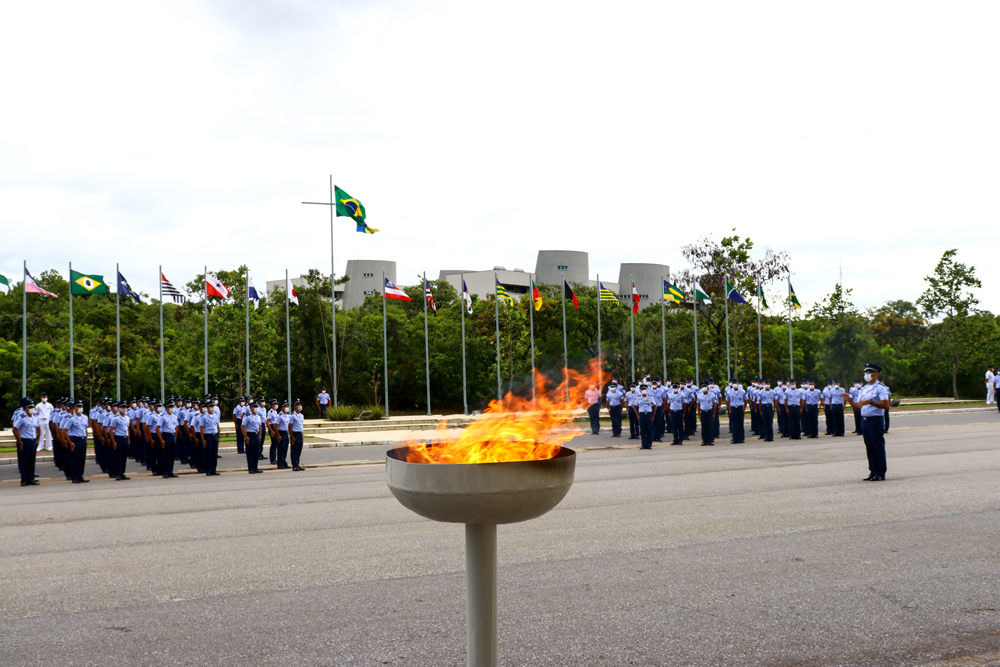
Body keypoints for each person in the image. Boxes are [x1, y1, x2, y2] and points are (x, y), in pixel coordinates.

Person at [843, 362, 891, 481]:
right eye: (866, 372)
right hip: (864, 421)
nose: (867, 374)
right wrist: (849, 399)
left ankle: (880, 472)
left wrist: (870, 402)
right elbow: (858, 406)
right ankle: (873, 471)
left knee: (877, 446)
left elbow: (886, 404)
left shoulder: (880, 388)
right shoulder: (864, 389)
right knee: (869, 446)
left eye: (869, 372)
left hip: (875, 420)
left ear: (876, 374)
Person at [12, 399, 40, 486]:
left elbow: (38, 428)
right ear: (24, 409)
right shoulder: (22, 418)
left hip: (32, 441)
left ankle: (31, 478)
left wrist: (38, 439)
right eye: (29, 407)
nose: (31, 409)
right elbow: (15, 429)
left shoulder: (35, 418)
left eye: (32, 407)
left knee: (31, 461)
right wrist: (19, 440)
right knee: (24, 460)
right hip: (25, 441)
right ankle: (24, 479)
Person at [65, 400, 90, 483]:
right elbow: (64, 431)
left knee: (82, 459)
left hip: (82, 439)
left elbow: (85, 428)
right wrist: (70, 442)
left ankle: (80, 475)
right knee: (75, 459)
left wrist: (86, 439)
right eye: (78, 406)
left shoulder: (85, 417)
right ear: (74, 408)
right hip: (75, 439)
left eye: (81, 406)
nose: (80, 408)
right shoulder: (71, 419)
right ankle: (74, 476)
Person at [157, 401, 179, 478]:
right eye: (170, 407)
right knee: (166, 455)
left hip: (172, 436)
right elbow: (157, 428)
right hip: (166, 436)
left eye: (172, 407)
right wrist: (161, 439)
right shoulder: (163, 417)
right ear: (166, 408)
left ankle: (170, 471)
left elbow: (176, 427)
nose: (171, 409)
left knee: (172, 456)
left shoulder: (174, 417)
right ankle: (165, 472)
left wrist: (175, 437)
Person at [109, 402, 131, 480]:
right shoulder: (116, 418)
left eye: (125, 407)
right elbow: (111, 430)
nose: (124, 408)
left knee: (124, 457)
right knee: (118, 456)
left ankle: (122, 472)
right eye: (122, 407)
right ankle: (117, 473)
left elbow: (127, 429)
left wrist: (128, 439)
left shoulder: (127, 418)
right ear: (119, 409)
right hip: (118, 438)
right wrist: (114, 441)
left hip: (125, 438)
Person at [241, 402, 262, 473]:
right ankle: (251, 468)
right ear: (251, 408)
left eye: (257, 407)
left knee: (256, 452)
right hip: (250, 435)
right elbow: (243, 426)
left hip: (256, 435)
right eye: (254, 407)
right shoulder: (247, 416)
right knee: (250, 452)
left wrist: (260, 435)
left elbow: (260, 426)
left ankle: (256, 467)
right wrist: (246, 437)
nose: (256, 408)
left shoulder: (258, 417)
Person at [200, 401, 221, 475]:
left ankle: (213, 469)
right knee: (208, 454)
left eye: (213, 406)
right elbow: (201, 428)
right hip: (208, 436)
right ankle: (208, 470)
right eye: (210, 406)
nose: (212, 408)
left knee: (214, 454)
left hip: (214, 435)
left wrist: (218, 436)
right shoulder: (204, 416)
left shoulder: (216, 416)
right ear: (207, 407)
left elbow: (218, 426)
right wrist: (203, 439)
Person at [726, 378, 746, 444]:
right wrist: (729, 409)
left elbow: (745, 400)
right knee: (734, 424)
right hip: (733, 408)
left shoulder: (742, 391)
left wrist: (744, 409)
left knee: (740, 424)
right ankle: (735, 438)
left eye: (736, 382)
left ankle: (741, 438)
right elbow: (727, 401)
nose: (735, 384)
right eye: (733, 383)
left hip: (740, 408)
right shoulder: (729, 392)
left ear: (738, 383)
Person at [635, 384, 655, 449]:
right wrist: (638, 415)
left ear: (647, 390)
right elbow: (634, 407)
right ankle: (643, 444)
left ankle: (649, 445)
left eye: (644, 389)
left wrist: (653, 415)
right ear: (640, 390)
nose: (643, 390)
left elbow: (655, 406)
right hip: (642, 414)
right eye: (642, 389)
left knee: (649, 429)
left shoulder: (650, 397)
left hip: (649, 414)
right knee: (643, 430)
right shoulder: (638, 398)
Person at [289, 399, 306, 471]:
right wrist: (292, 436)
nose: (300, 406)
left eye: (300, 405)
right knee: (294, 450)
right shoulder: (292, 416)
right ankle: (294, 465)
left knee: (299, 450)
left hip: (300, 433)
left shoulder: (301, 415)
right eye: (298, 405)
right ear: (294, 407)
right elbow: (290, 426)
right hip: (295, 433)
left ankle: (297, 463)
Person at [275, 401, 291, 468]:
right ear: (281, 408)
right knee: (281, 449)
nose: (286, 407)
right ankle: (280, 463)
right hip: (281, 433)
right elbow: (275, 425)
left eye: (287, 406)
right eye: (285, 406)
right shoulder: (279, 416)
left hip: (286, 433)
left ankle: (283, 461)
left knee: (285, 449)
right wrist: (278, 435)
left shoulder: (287, 416)